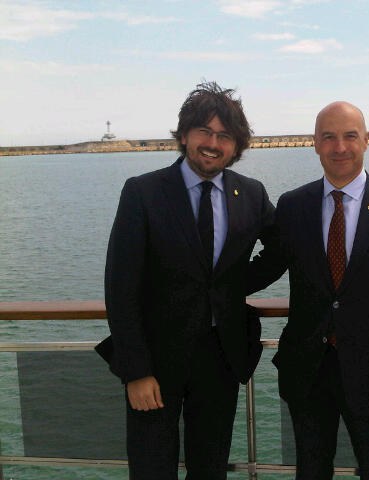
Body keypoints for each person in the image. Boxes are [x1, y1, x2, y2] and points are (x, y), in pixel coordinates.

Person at [97, 81, 275, 480]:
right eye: (204, 132)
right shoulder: (143, 192)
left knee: (210, 469)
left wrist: (233, 285)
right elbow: (120, 287)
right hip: (155, 360)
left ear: (236, 146)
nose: (212, 143)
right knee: (151, 469)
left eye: (224, 136)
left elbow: (281, 249)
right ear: (184, 135)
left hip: (220, 358)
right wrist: (136, 371)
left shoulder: (250, 193)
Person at [248, 101, 369, 480]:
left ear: (366, 140)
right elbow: (267, 267)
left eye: (350, 136)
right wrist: (204, 282)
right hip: (307, 371)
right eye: (329, 137)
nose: (340, 147)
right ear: (315, 143)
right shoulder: (292, 206)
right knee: (311, 470)